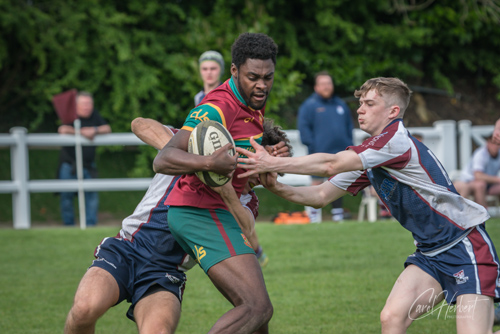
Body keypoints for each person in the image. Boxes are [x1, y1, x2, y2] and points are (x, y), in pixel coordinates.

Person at [236, 77, 500, 334]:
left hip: (465, 247)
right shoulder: (372, 156)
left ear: (393, 111)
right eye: (360, 103)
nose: (360, 109)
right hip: (430, 255)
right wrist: (274, 186)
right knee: (392, 318)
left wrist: (273, 164)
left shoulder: (395, 142)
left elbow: (331, 164)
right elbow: (320, 195)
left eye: (370, 103)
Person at [64, 117, 291, 334]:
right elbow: (140, 124)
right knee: (85, 309)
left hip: (165, 274)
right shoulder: (192, 149)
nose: (259, 178)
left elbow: (248, 234)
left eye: (268, 172)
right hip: (127, 249)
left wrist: (225, 187)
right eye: (259, 167)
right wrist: (196, 160)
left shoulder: (247, 200)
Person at [153, 32, 279, 334]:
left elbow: (237, 166)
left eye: (268, 77)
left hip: (218, 211)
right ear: (234, 71)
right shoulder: (216, 106)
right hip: (199, 212)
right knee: (257, 307)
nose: (261, 85)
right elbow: (164, 158)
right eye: (253, 77)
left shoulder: (252, 102)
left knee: (257, 318)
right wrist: (209, 163)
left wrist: (269, 159)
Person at [297, 71, 353, 222]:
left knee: (338, 183)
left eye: (329, 83)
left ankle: (338, 215)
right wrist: (314, 146)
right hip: (318, 154)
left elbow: (349, 128)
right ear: (316, 87)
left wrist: (349, 146)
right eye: (323, 84)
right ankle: (314, 217)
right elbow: (304, 129)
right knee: (316, 184)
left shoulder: (340, 105)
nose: (326, 87)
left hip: (340, 155)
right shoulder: (309, 106)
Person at [57, 91, 111, 226]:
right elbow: (62, 129)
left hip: (88, 164)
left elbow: (107, 128)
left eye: (89, 104)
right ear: (76, 105)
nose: (87, 107)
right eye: (84, 104)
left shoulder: (94, 116)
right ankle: (69, 225)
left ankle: (91, 225)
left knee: (92, 196)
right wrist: (82, 132)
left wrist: (95, 130)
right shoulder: (71, 117)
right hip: (69, 164)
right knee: (67, 197)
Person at [453, 134, 500, 209]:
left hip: (488, 184)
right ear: (488, 143)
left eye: (498, 144)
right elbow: (478, 176)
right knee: (480, 185)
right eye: (493, 143)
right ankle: (482, 213)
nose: (496, 146)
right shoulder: (480, 154)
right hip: (468, 181)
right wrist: (497, 179)